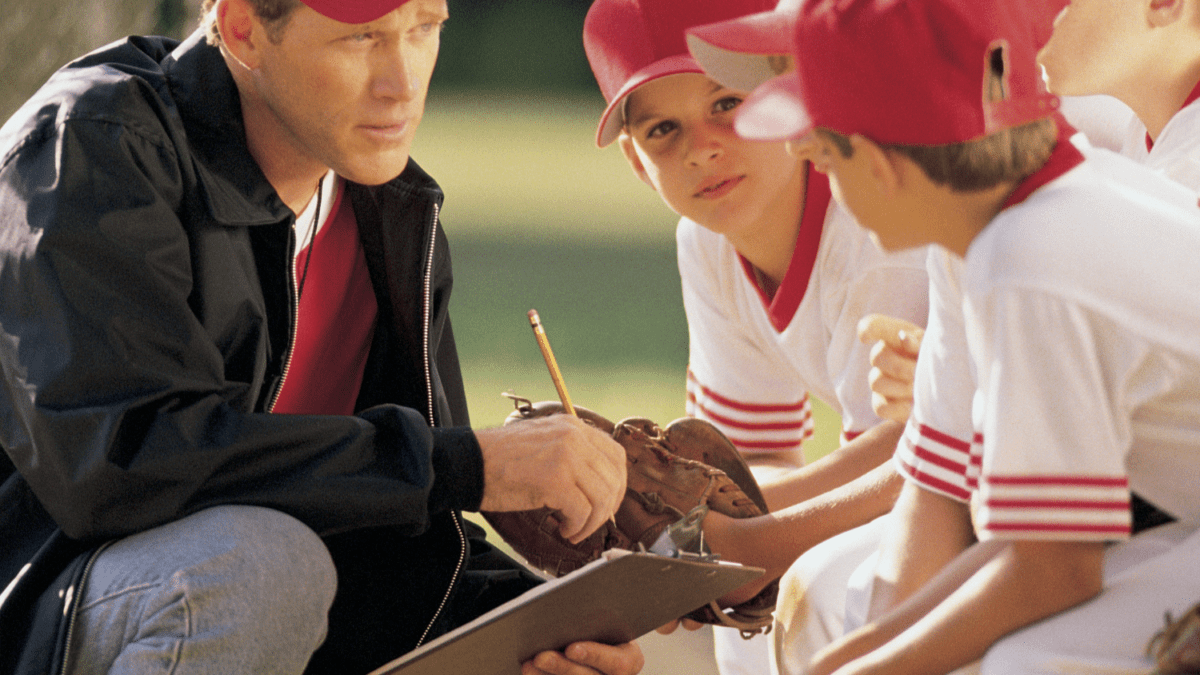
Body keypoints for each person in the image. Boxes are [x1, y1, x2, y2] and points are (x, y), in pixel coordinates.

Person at [0, 1, 645, 674]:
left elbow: (392, 517)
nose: (402, 80)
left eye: (424, 27)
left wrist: (537, 627)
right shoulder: (91, 144)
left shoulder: (394, 218)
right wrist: (466, 465)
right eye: (360, 38)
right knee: (266, 566)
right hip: (45, 608)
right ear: (245, 27)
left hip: (209, 614)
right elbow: (124, 463)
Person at [707, 0, 1200, 673]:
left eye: (826, 156)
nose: (818, 174)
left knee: (1025, 662)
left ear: (881, 166)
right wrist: (850, 659)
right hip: (1168, 522)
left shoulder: (1031, 257)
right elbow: (946, 498)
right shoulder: (987, 228)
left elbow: (1056, 567)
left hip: (1164, 529)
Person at [581, 1, 929, 673]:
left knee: (805, 581)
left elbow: (914, 449)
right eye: (662, 129)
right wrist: (701, 524)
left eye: (727, 103)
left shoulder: (869, 220)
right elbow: (758, 450)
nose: (701, 148)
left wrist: (728, 533)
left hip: (1028, 476)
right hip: (941, 468)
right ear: (634, 158)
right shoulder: (706, 242)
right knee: (726, 592)